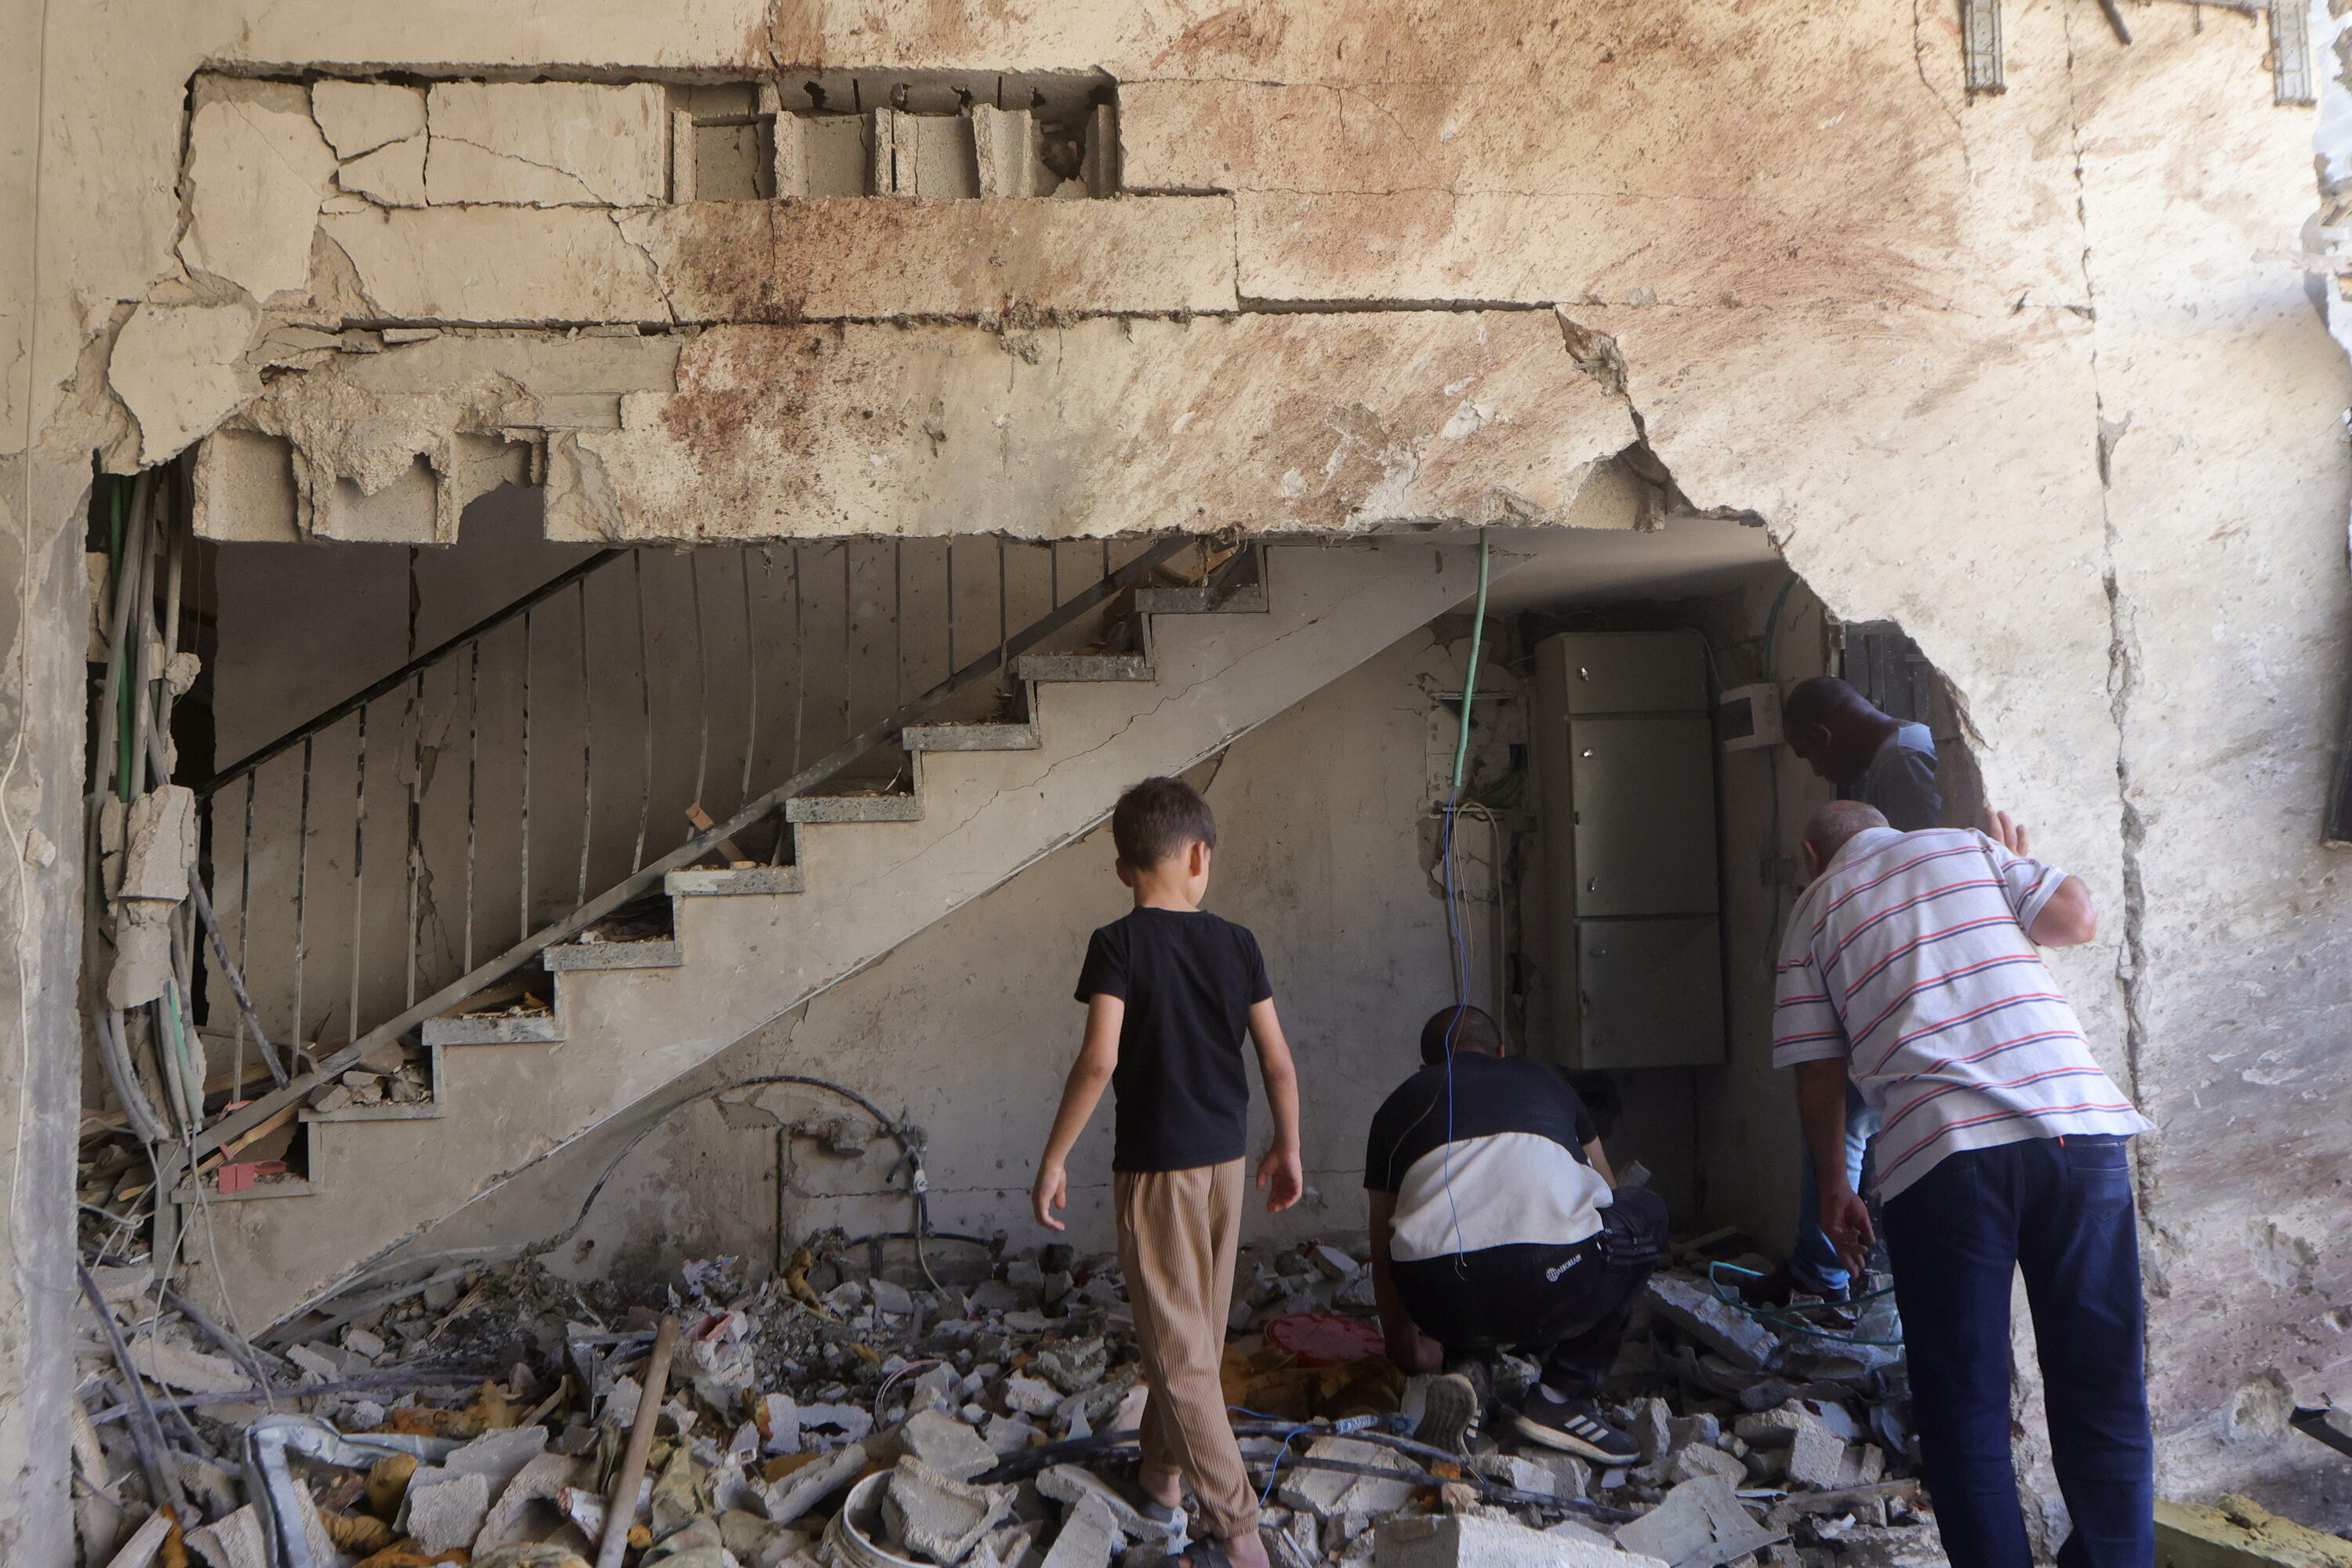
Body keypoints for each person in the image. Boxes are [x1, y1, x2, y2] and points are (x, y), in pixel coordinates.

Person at [1773, 800, 2153, 1568]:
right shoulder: (1967, 847)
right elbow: (2076, 918)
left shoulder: (1811, 914)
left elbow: (1821, 1077)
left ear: (1814, 855)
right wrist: (2016, 876)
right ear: (1893, 828)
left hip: (1943, 1156)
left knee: (1965, 1405)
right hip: (2076, 1129)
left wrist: (1833, 1191)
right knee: (2102, 1380)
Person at [1032, 776, 1304, 1568]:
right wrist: (1287, 1145)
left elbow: (1099, 1058)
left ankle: (1240, 1534)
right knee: (1193, 1338)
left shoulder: (1117, 944)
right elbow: (1278, 1061)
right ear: (1199, 855)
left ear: (1123, 870)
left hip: (1156, 1169)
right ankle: (1159, 1481)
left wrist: (1054, 1157)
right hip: (1225, 1162)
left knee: (1180, 1352)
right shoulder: (1239, 942)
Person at [1363, 1005, 1668, 1463]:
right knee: (1645, 1212)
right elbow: (1607, 1192)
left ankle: (1468, 1369)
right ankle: (1562, 1397)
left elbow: (1382, 1242)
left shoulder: (1397, 1106)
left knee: (1458, 1244)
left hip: (1440, 1296)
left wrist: (1405, 1351)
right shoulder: (1545, 1080)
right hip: (1550, 1281)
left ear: (1428, 1068)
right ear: (1502, 1053)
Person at [1775, 676, 1943, 1301]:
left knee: (1839, 1114)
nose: (1817, 769)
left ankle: (1826, 1275)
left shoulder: (1901, 764)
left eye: (1809, 755)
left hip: (1909, 998)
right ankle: (1826, 1270)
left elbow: (1914, 880)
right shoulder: (1896, 756)